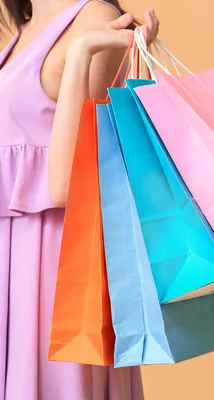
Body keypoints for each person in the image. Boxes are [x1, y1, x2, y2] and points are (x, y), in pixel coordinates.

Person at [0, 0, 159, 398]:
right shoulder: (24, 29)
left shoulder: (95, 20)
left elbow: (72, 183)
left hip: (52, 264)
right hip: (11, 261)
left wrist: (83, 53)